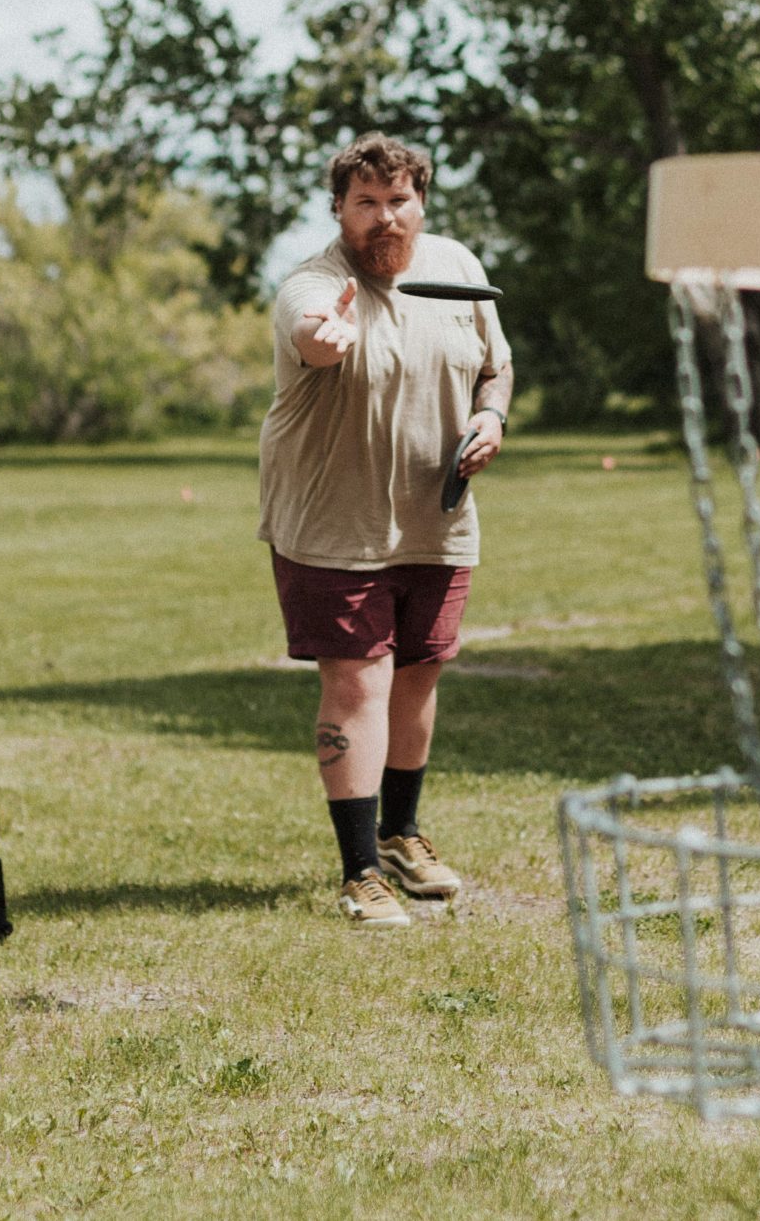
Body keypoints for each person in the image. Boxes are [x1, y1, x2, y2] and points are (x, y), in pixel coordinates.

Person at [257, 132, 514, 929]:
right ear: (338, 209)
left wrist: (490, 416)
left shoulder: (458, 269)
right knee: (357, 683)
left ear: (421, 202)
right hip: (335, 525)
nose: (382, 217)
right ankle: (359, 870)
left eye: (396, 199)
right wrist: (322, 340)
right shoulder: (314, 283)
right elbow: (309, 329)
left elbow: (495, 364)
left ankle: (401, 833)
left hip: (434, 520)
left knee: (418, 675)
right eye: (364, 202)